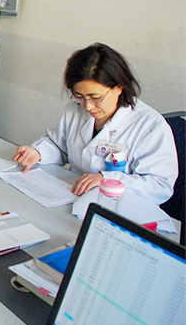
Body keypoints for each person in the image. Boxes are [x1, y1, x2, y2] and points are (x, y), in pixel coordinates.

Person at [12, 43, 177, 205]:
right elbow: (59, 146)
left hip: (121, 208)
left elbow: (159, 186)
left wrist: (107, 179)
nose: (88, 106)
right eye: (80, 96)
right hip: (72, 198)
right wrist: (39, 152)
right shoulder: (75, 109)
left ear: (119, 87)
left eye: (96, 98)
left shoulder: (150, 126)